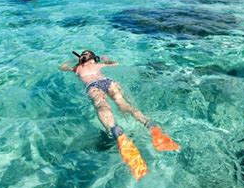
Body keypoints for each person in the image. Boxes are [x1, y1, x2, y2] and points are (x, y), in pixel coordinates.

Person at [60, 50, 179, 180]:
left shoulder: (77, 68)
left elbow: (62, 67)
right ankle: (150, 126)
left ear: (81, 59)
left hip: (93, 86)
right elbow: (114, 63)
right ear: (94, 59)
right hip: (108, 81)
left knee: (102, 106)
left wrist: (74, 62)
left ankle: (116, 132)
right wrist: (105, 58)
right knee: (124, 105)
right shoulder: (98, 65)